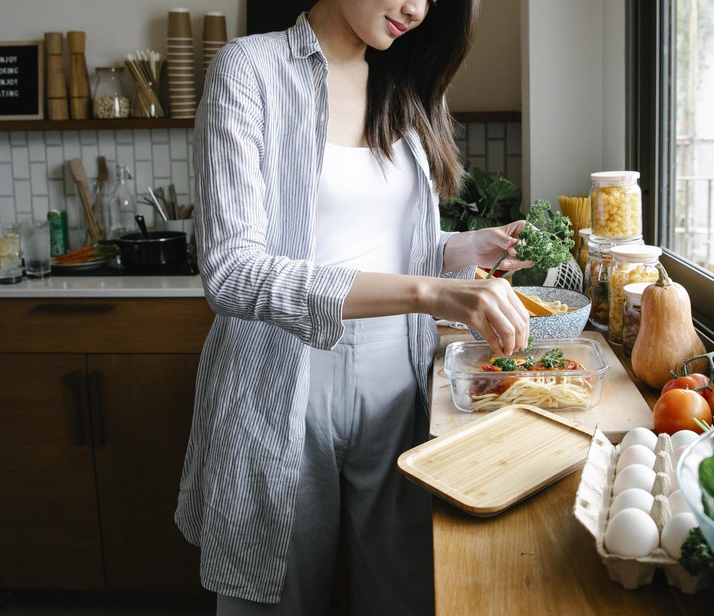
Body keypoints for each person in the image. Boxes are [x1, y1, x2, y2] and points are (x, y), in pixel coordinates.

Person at [175, 0, 534, 613]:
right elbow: (231, 271)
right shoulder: (248, 71)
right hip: (283, 382)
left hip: (399, 381)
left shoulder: (401, 83)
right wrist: (433, 292)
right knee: (277, 597)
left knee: (404, 593)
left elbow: (378, 242)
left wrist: (460, 250)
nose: (417, 9)